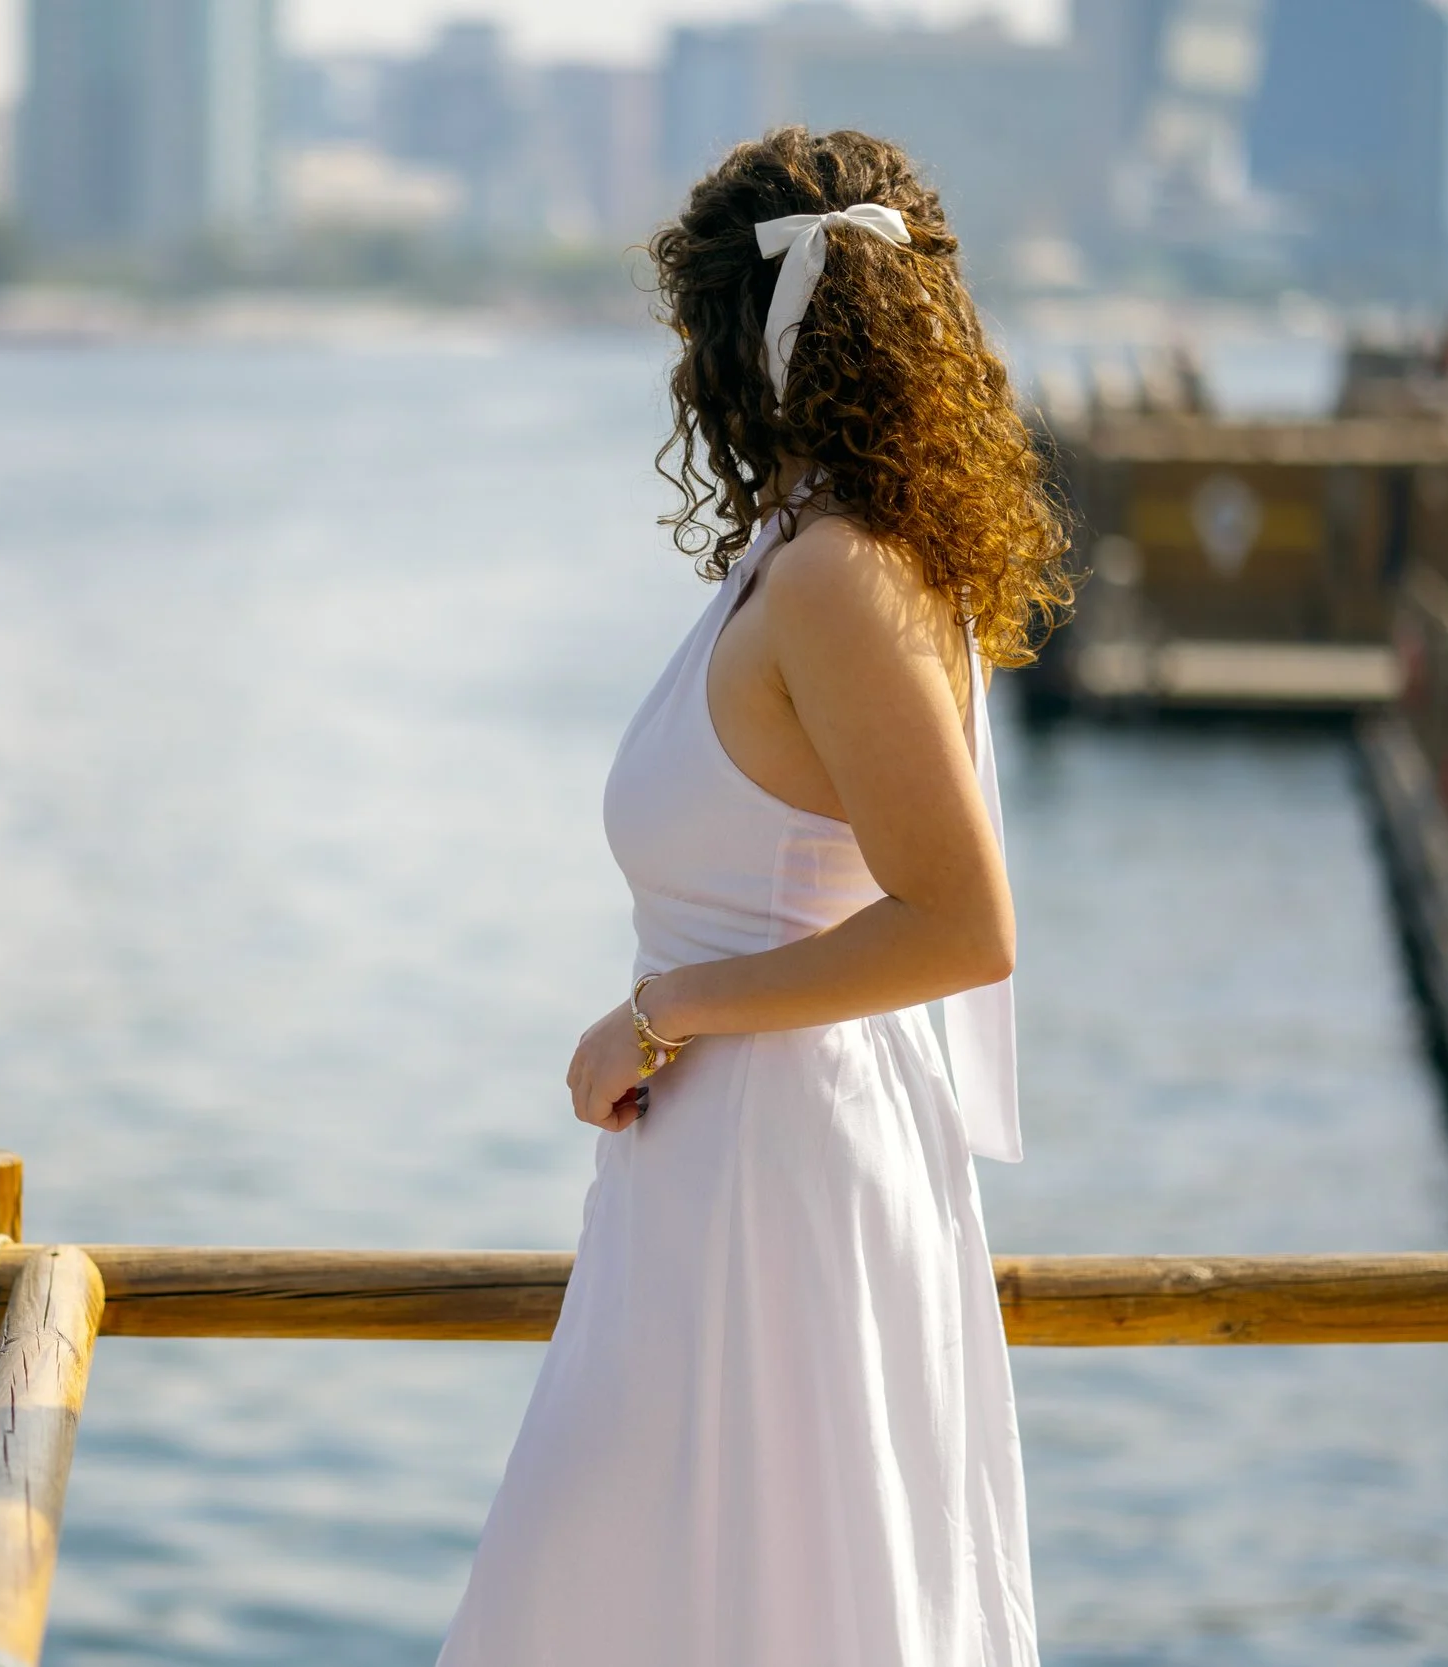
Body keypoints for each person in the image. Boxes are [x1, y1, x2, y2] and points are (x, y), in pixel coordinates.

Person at [435, 128, 1073, 1667]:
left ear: (741, 342)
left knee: (765, 1598)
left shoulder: (842, 574)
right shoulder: (799, 554)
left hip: (790, 1182)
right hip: (720, 1178)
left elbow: (961, 921)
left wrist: (664, 1010)